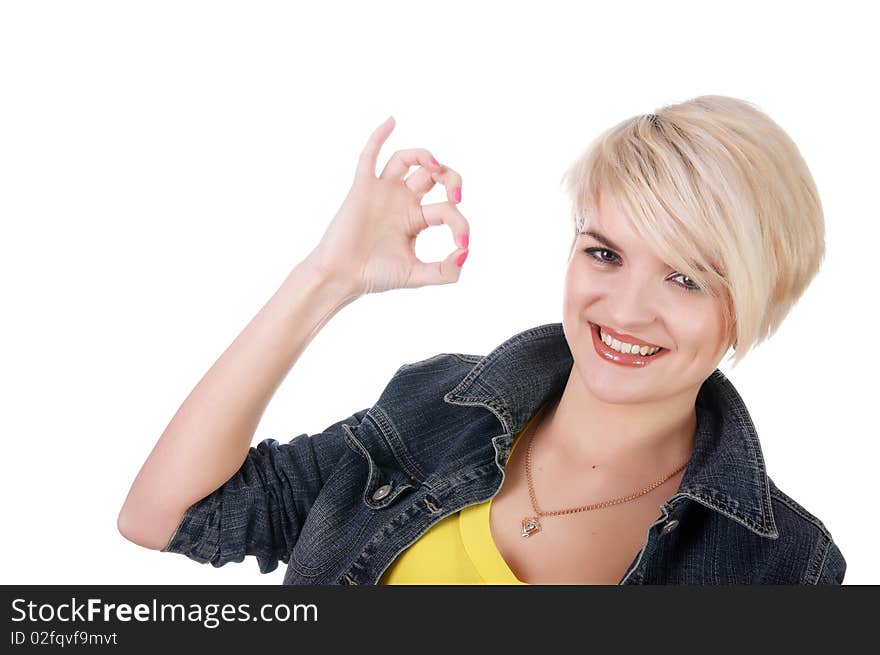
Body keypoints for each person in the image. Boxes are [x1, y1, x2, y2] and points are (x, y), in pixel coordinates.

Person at [117, 97, 846, 585]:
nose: (625, 309)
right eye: (604, 253)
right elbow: (166, 515)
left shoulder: (784, 566)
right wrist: (327, 277)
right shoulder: (435, 409)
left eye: (685, 279)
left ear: (749, 307)